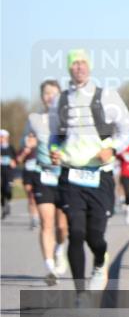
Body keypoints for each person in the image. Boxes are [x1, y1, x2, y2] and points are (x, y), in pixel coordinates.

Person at [49, 49, 129, 294]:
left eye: (83, 63)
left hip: (100, 175)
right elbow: (55, 136)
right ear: (69, 68)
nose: (79, 67)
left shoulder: (106, 96)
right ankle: (80, 293)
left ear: (89, 66)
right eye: (74, 63)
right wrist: (55, 150)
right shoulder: (60, 100)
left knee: (94, 236)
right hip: (71, 174)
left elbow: (126, 128)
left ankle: (100, 261)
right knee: (75, 232)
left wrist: (113, 148)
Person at [23, 80, 70, 285]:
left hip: (64, 176)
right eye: (46, 93)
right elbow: (25, 141)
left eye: (54, 93)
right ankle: (50, 267)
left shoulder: (67, 119)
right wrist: (28, 143)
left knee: (62, 227)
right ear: (42, 97)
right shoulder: (34, 119)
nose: (50, 96)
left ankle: (60, 249)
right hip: (42, 174)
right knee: (46, 222)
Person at [16, 130, 41, 229]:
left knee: (37, 197)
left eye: (32, 137)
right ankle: (34, 218)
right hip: (27, 173)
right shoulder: (24, 149)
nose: (30, 139)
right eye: (29, 137)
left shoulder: (40, 149)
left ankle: (39, 215)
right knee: (31, 197)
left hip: (38, 174)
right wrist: (24, 153)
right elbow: (18, 160)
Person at [1, 130, 16, 219]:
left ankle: (8, 202)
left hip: (9, 172)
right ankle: (3, 208)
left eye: (3, 137)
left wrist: (13, 161)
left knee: (8, 190)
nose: (1, 139)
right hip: (1, 172)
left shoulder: (10, 147)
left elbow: (16, 159)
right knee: (2, 191)